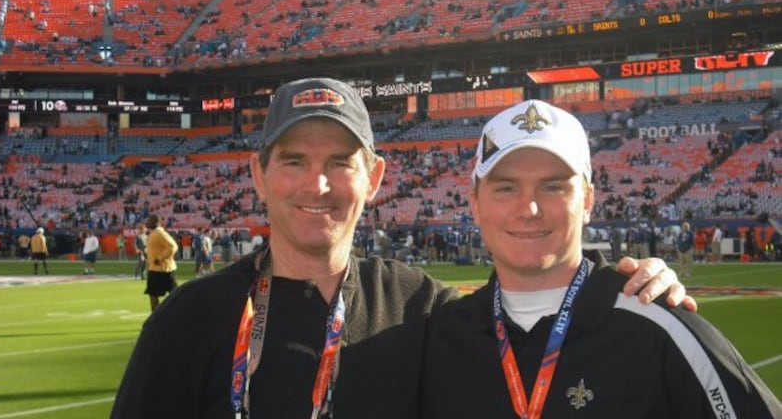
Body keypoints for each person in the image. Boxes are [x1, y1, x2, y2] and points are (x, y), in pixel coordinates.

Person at [112, 78, 692, 419]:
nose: (318, 185)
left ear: (376, 178)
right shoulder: (187, 321)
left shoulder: (422, 308)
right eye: (294, 161)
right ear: (259, 175)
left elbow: (529, 314)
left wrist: (640, 282)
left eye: (341, 163)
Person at [421, 99, 782, 418]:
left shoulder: (661, 326)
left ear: (589, 201)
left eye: (553, 187)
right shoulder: (437, 338)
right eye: (505, 188)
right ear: (475, 204)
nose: (528, 208)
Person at [144, 214, 178, 311]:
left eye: (149, 220)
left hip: (164, 269)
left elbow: (173, 246)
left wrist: (160, 258)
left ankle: (174, 314)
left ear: (156, 222)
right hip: (155, 269)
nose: (147, 222)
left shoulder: (159, 233)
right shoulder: (154, 233)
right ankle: (156, 317)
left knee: (175, 295)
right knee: (153, 294)